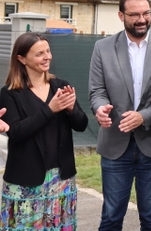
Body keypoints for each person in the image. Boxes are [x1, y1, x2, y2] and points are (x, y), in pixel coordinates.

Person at [89, 0, 151, 231]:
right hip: (114, 145)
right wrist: (100, 108)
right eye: (134, 14)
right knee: (111, 217)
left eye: (146, 13)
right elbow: (97, 91)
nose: (141, 19)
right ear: (121, 15)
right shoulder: (103, 48)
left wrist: (144, 116)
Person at [0, 32, 88, 229]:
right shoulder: (9, 94)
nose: (47, 56)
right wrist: (50, 110)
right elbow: (16, 132)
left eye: (48, 51)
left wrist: (72, 109)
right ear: (21, 59)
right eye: (39, 53)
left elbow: (81, 125)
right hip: (26, 181)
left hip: (60, 178)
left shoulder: (60, 85)